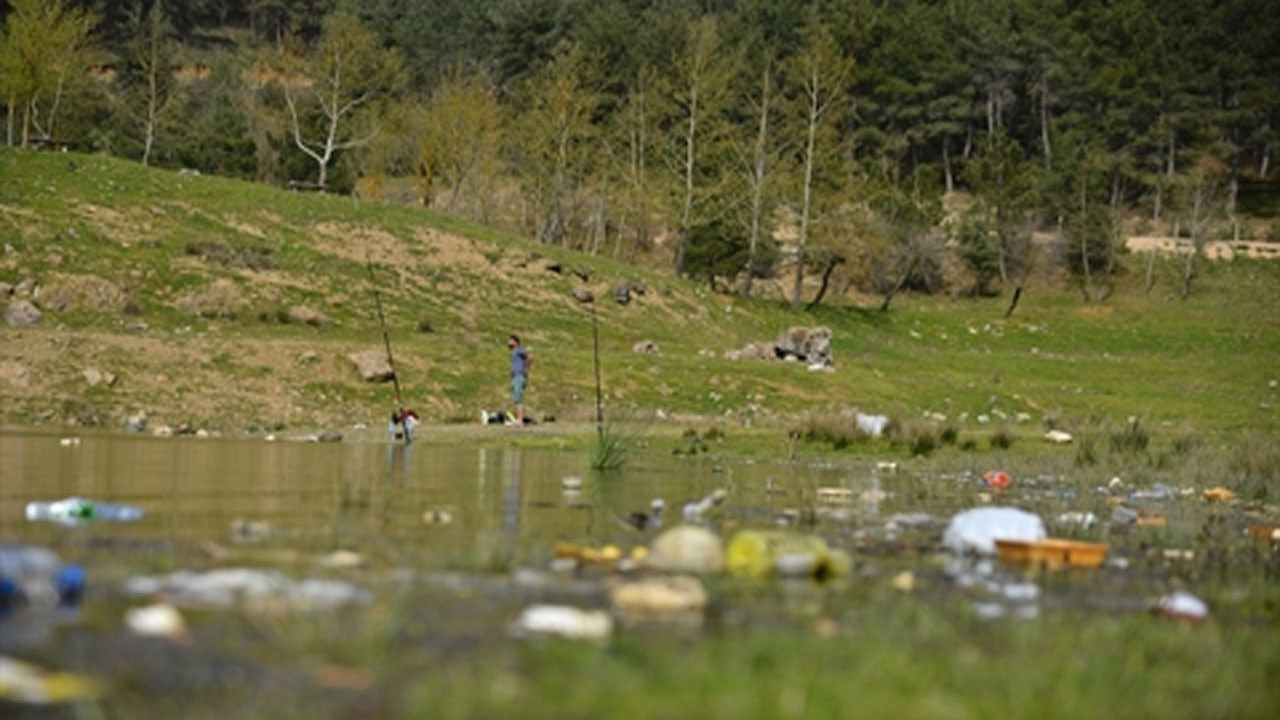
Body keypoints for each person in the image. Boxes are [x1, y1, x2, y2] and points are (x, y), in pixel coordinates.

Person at [507, 333, 532, 424]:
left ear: (516, 342)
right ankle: (519, 418)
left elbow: (530, 356)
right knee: (516, 397)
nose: (508, 342)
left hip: (519, 376)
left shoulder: (518, 350)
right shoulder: (513, 352)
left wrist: (527, 369)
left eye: (510, 340)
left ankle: (520, 419)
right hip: (515, 377)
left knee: (518, 397)